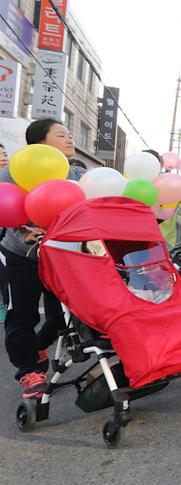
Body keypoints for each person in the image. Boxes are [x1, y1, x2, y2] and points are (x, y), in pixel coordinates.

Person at [0, 119, 84, 398]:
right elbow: (6, 204)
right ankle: (29, 373)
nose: (70, 138)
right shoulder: (14, 170)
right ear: (40, 143)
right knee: (21, 315)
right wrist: (23, 230)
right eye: (61, 134)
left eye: (70, 134)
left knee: (63, 315)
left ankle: (38, 346)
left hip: (60, 255)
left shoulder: (74, 174)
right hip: (21, 255)